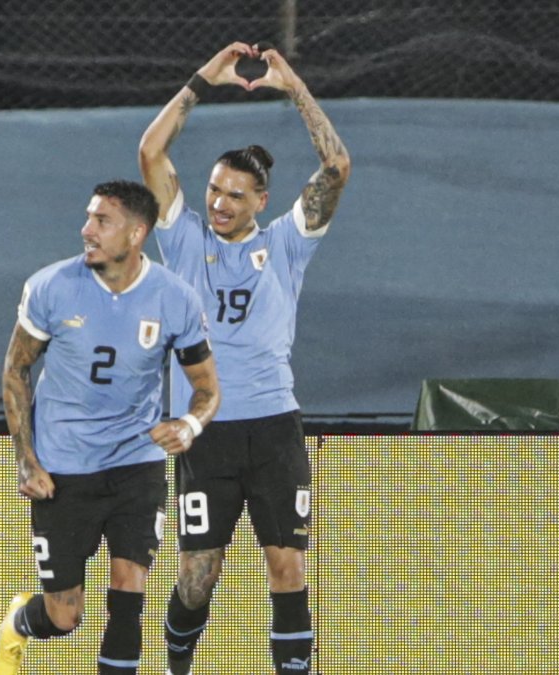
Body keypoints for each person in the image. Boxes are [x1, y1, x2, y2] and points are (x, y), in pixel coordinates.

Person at [138, 40, 350, 675]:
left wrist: (294, 89)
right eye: (213, 190)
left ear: (261, 201)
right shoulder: (183, 241)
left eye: (234, 195)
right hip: (206, 433)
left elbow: (336, 168)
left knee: (287, 568)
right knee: (199, 577)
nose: (219, 203)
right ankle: (177, 661)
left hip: (275, 427)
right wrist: (205, 79)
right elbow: (151, 152)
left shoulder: (287, 242)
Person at [0, 180, 220, 674]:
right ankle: (17, 624)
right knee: (64, 614)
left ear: (137, 233)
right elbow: (16, 369)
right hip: (63, 466)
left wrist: (189, 424)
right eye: (89, 218)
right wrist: (26, 460)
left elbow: (207, 388)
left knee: (128, 589)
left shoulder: (175, 298)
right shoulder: (51, 287)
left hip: (135, 463)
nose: (86, 230)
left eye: (101, 221)